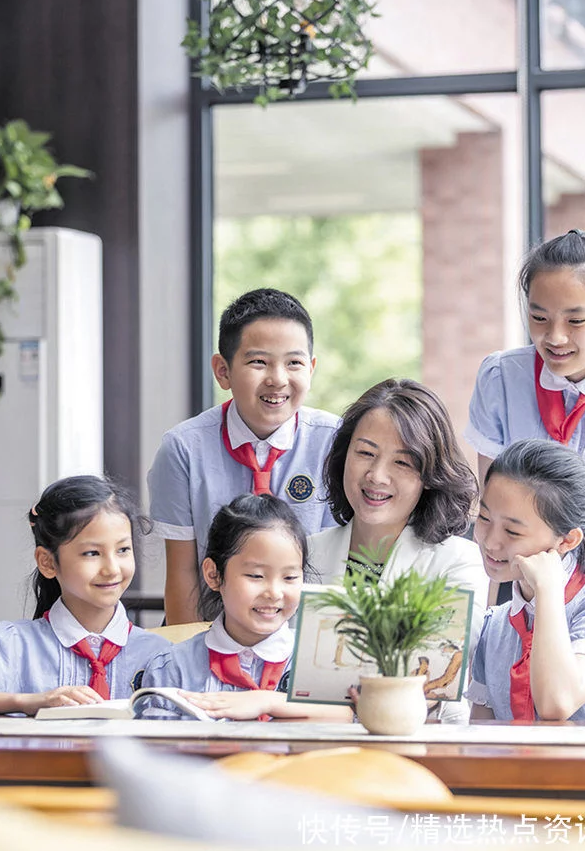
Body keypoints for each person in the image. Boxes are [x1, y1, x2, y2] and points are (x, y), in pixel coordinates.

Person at [148, 288, 340, 624]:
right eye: (258, 362)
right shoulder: (183, 449)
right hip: (211, 637)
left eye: (294, 363)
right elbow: (182, 575)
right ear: (223, 371)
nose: (277, 379)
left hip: (303, 637)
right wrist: (189, 654)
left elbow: (339, 567)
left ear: (311, 369)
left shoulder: (335, 442)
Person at [307, 379, 488, 654]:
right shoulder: (306, 554)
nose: (377, 476)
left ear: (431, 475)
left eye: (402, 462)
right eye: (366, 453)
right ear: (344, 456)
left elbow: (445, 662)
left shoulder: (458, 562)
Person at [0, 476, 167, 715]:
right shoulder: (9, 646)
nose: (112, 569)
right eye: (92, 553)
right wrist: (29, 702)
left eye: (123, 549)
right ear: (47, 562)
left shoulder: (161, 656)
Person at [143, 493, 350, 721]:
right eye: (256, 576)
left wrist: (268, 702)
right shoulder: (172, 667)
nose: (274, 593)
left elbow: (346, 718)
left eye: (290, 577)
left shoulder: (320, 661)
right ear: (214, 575)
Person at [467, 439, 585, 722]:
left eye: (512, 532)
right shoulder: (495, 625)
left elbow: (556, 702)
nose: (491, 542)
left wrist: (547, 589)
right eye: (484, 517)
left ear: (567, 540)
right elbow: (481, 733)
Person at [465, 229, 585, 494]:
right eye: (539, 318)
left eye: (575, 321)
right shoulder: (501, 379)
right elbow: (492, 501)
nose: (555, 337)